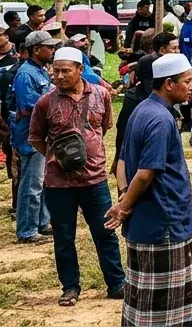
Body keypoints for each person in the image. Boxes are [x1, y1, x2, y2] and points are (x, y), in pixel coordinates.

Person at [106, 53, 192, 327]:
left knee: (142, 298)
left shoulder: (142, 109)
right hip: (163, 223)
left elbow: (122, 161)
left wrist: (124, 195)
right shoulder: (161, 119)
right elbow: (146, 174)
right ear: (168, 84)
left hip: (147, 222)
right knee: (165, 309)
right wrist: (124, 207)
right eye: (187, 81)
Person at [28, 46, 125, 306]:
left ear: (80, 70)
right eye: (55, 71)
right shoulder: (45, 102)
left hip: (95, 180)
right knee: (63, 236)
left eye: (65, 71)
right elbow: (37, 138)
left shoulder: (101, 95)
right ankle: (70, 287)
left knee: (105, 232)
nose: (58, 76)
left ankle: (116, 283)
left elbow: (103, 128)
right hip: (58, 183)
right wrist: (59, 157)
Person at [10, 29, 59, 243]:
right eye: (49, 47)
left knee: (42, 181)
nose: (52, 50)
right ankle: (27, 230)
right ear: (36, 50)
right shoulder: (25, 74)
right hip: (31, 136)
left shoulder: (39, 70)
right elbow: (30, 106)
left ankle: (41, 222)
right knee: (32, 184)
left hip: (43, 135)